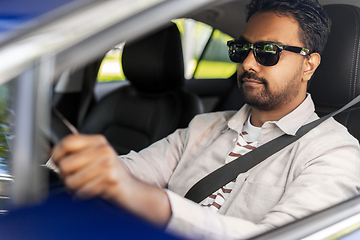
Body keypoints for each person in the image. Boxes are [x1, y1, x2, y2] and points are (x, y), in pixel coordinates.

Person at [52, 0, 360, 239]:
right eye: (242, 49)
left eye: (268, 51)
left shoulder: (335, 153)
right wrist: (64, 165)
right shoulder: (203, 126)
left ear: (309, 65)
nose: (248, 63)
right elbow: (130, 169)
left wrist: (158, 205)